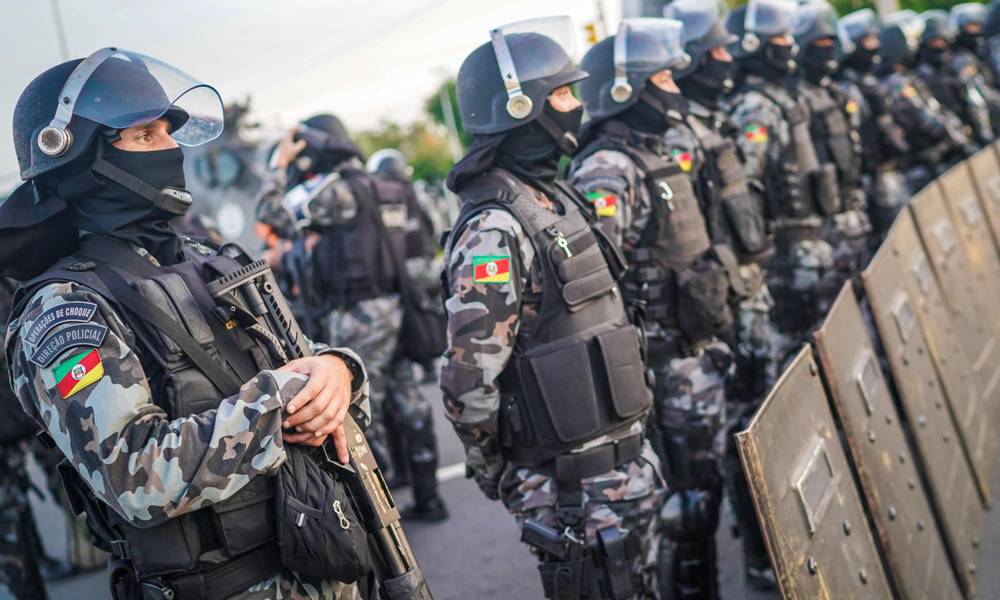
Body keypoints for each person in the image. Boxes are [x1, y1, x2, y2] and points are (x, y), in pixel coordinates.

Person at [3, 48, 370, 600]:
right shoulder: (65, 306)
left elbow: (304, 359)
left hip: (323, 553)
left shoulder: (208, 259)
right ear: (79, 158)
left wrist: (340, 370)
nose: (171, 149)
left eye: (168, 133)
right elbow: (134, 474)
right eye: (145, 136)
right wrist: (281, 400)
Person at [441, 17, 665, 599]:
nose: (573, 105)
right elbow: (469, 382)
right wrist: (500, 471)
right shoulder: (494, 228)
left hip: (628, 471)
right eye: (561, 94)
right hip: (574, 495)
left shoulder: (555, 195)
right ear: (519, 108)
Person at [569, 18, 736, 599]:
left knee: (704, 498)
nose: (674, 87)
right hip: (660, 364)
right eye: (662, 76)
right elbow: (593, 283)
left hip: (696, 354)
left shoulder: (657, 153)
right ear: (627, 89)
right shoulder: (606, 170)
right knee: (681, 509)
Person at [256, 113, 404, 490]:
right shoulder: (376, 183)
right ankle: (424, 490)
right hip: (394, 304)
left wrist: (279, 164)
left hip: (359, 313)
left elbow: (271, 212)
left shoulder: (335, 192)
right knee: (405, 394)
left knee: (361, 403)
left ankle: (378, 487)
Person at [364, 148, 449, 521]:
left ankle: (385, 503)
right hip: (411, 300)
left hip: (380, 309)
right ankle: (429, 496)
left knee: (373, 406)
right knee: (409, 399)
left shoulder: (374, 201)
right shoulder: (412, 198)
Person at [794, 0, 873, 284]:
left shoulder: (836, 93)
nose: (827, 47)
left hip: (853, 210)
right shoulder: (796, 101)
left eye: (830, 40)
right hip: (823, 226)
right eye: (819, 42)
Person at [876, 10, 974, 192]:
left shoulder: (904, 78)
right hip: (924, 167)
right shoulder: (897, 83)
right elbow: (925, 117)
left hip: (933, 162)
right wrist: (958, 138)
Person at [836, 8, 912, 240]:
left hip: (891, 172)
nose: (874, 46)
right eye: (867, 41)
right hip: (873, 180)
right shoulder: (847, 87)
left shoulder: (869, 81)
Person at [0, 277, 49, 600]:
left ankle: (34, 577)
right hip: (10, 416)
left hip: (14, 415)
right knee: (7, 524)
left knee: (13, 512)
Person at [915, 10, 998, 148]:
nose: (938, 45)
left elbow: (981, 93)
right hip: (955, 132)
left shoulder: (961, 59)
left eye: (941, 40)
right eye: (934, 42)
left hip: (983, 124)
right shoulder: (923, 73)